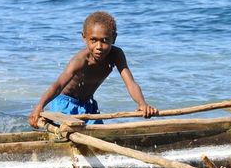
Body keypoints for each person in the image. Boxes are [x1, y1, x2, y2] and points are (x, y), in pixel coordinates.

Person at [28, 11, 158, 128]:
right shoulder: (80, 60)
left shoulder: (116, 55)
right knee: (65, 136)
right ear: (84, 38)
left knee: (99, 135)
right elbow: (58, 85)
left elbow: (130, 83)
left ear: (114, 38)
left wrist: (142, 104)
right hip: (65, 104)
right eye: (93, 40)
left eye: (105, 40)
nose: (99, 46)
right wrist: (40, 106)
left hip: (88, 104)